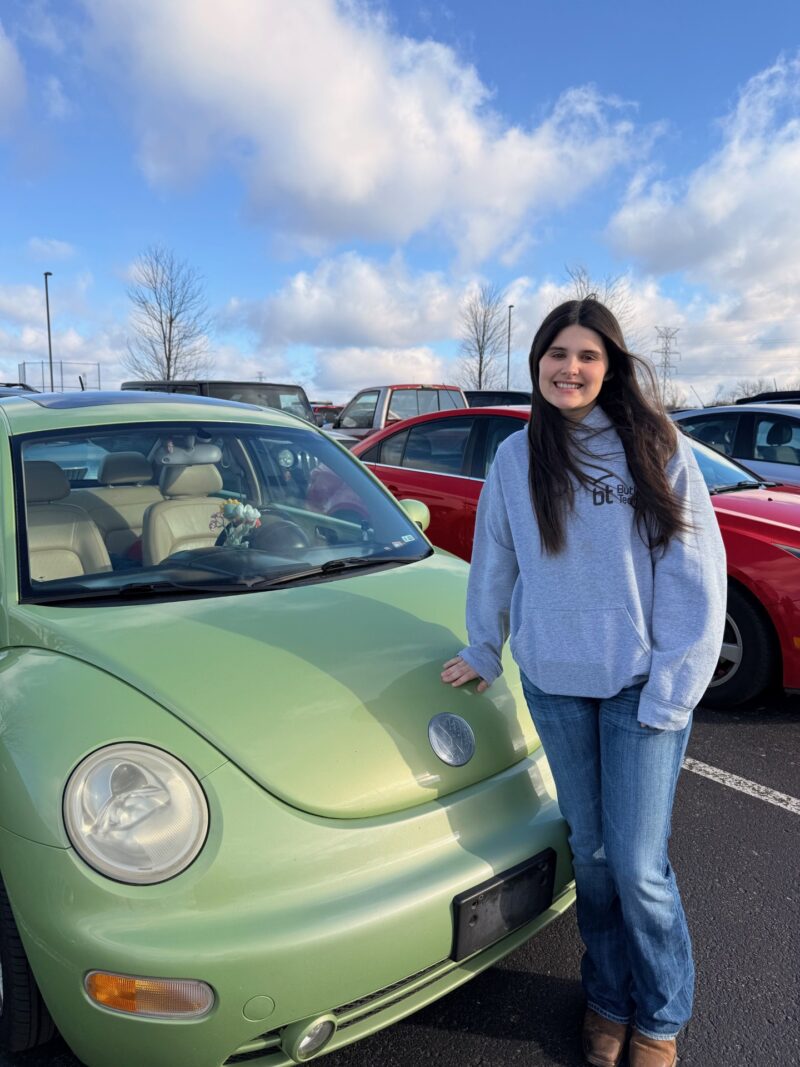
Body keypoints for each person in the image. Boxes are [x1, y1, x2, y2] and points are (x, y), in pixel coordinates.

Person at [441, 299, 726, 1067]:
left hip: (642, 688)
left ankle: (661, 1013)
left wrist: (675, 685)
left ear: (612, 364)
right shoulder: (516, 456)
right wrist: (484, 644)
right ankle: (607, 997)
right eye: (557, 353)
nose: (571, 368)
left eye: (588, 355)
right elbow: (495, 556)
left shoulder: (654, 445)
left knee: (639, 866)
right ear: (537, 364)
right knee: (593, 857)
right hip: (557, 683)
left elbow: (695, 574)